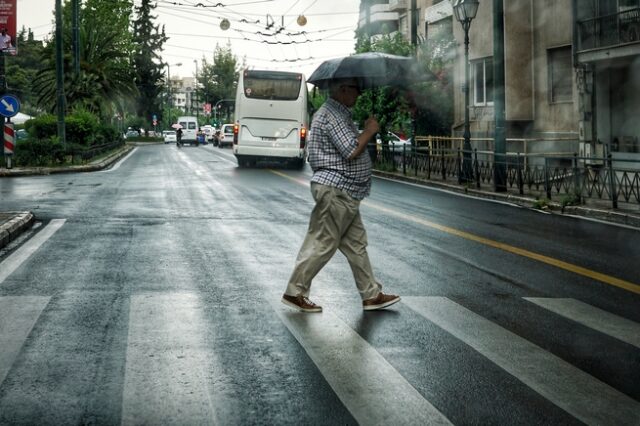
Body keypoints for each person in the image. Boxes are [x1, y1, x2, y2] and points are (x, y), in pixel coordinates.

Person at [281, 77, 400, 313]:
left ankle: (371, 294)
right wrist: (369, 131)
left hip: (345, 192)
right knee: (323, 242)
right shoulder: (332, 115)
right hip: (337, 190)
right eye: (357, 89)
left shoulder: (337, 113)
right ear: (343, 89)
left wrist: (364, 131)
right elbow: (351, 150)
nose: (360, 94)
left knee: (356, 244)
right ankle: (295, 292)